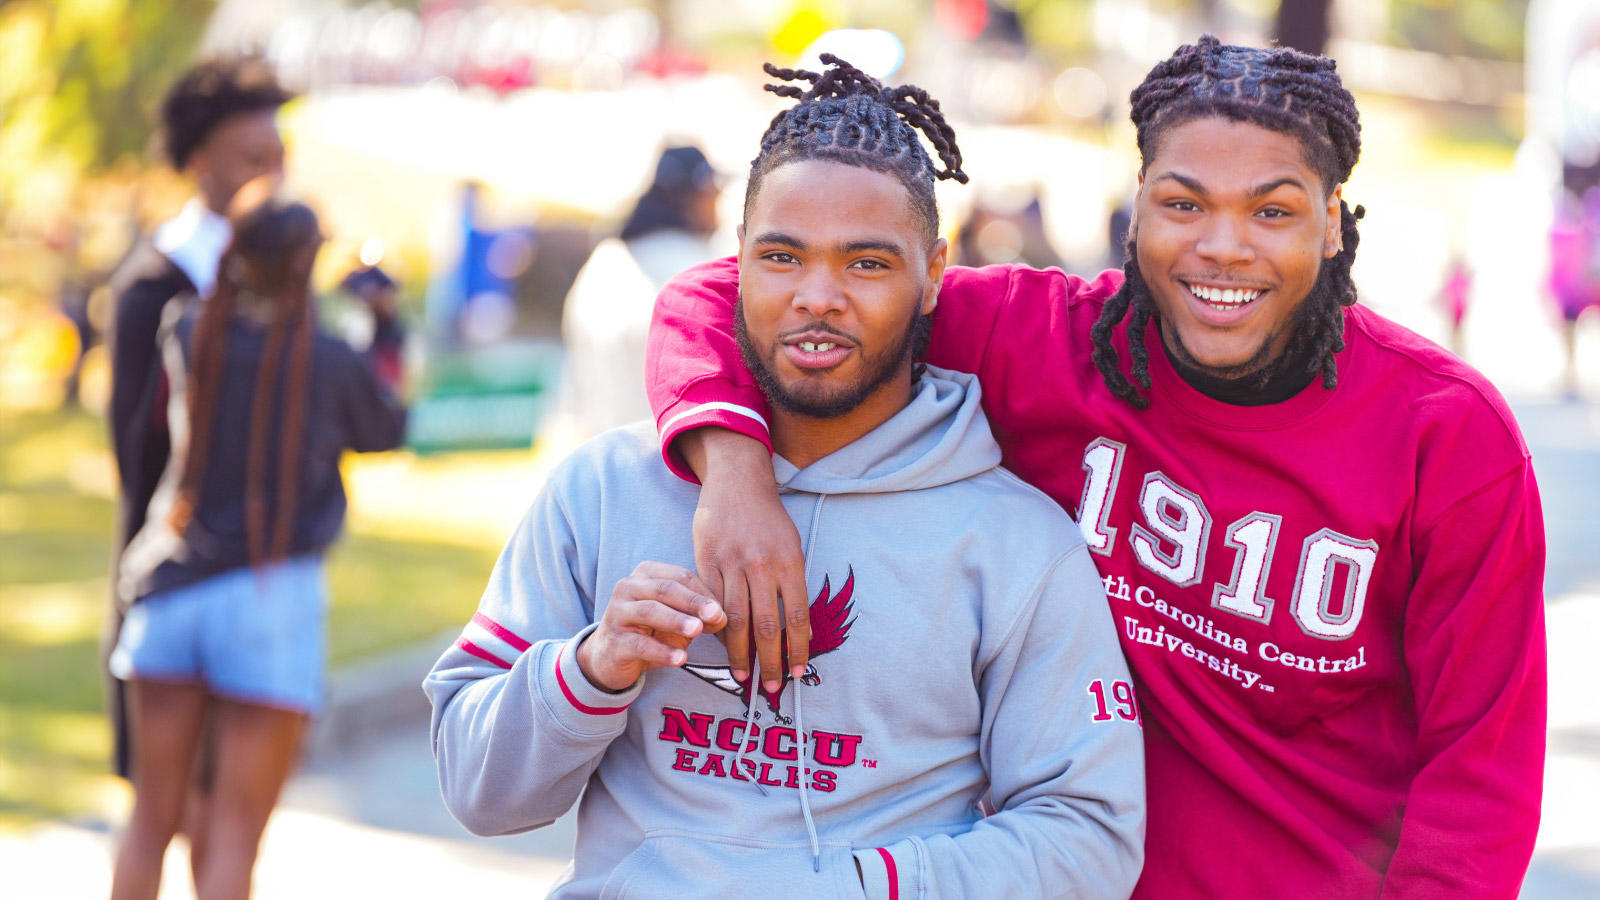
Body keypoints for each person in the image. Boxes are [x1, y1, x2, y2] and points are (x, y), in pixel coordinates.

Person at [646, 36, 1546, 898]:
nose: (1224, 247)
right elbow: (727, 292)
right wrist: (735, 475)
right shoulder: (1040, 340)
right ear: (1139, 203)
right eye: (1185, 203)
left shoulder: (1445, 436)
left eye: (1272, 210)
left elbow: (1480, 774)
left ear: (1334, 224)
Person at [426, 56, 1144, 899]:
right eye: (781, 256)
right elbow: (478, 790)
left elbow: (1088, 840)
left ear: (935, 275)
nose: (818, 296)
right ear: (737, 259)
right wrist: (590, 668)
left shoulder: (1020, 544)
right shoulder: (604, 488)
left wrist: (859, 887)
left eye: (867, 264)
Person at [108, 193, 407, 900]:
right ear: (307, 265)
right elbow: (387, 427)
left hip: (170, 586)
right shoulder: (330, 360)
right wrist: (385, 325)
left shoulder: (189, 330)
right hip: (271, 597)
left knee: (150, 819)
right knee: (236, 835)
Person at [105, 55, 293, 786]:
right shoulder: (155, 288)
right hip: (176, 583)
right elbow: (141, 456)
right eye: (252, 159)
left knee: (234, 821)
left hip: (262, 587)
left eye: (279, 157)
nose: (271, 177)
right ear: (198, 161)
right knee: (161, 814)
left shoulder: (281, 279)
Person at [554, 144, 723, 440]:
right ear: (697, 195)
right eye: (713, 191)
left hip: (599, 459)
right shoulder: (700, 271)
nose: (718, 202)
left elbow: (572, 389)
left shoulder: (601, 265)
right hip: (671, 463)